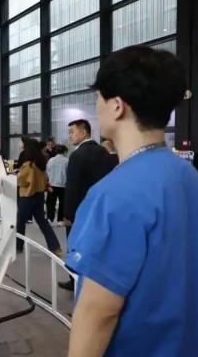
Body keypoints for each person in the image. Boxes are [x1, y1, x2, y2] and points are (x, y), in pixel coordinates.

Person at [66, 46, 198, 356]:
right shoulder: (190, 177)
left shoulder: (114, 194)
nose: (96, 107)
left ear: (117, 106)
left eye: (98, 98)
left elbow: (98, 313)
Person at [58, 119, 116, 291]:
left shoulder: (77, 156)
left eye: (72, 132)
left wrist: (68, 214)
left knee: (76, 246)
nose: (69, 136)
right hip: (101, 208)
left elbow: (72, 187)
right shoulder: (104, 152)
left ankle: (74, 280)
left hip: (80, 210)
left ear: (83, 133)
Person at [16, 139, 62, 255]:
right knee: (43, 222)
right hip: (39, 196)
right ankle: (55, 247)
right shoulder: (41, 163)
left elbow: (21, 181)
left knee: (20, 222)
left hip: (27, 196)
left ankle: (18, 246)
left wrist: (17, 175)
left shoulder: (28, 165)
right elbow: (45, 179)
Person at [46, 145, 68, 224]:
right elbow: (69, 173)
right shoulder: (67, 161)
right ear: (65, 152)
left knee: (51, 202)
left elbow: (47, 171)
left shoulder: (51, 160)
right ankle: (60, 220)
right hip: (63, 185)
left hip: (52, 184)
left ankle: (50, 218)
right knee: (62, 203)